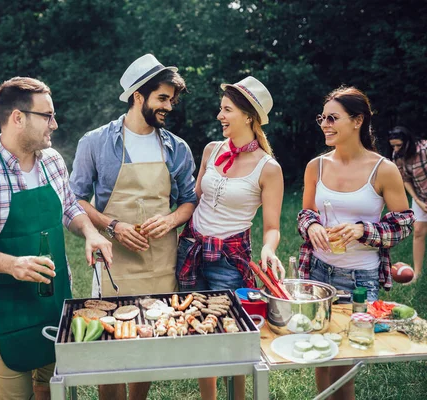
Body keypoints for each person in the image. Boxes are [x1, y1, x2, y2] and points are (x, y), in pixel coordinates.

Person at [0, 77, 111, 400]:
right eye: (47, 116)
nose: (55, 124)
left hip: (55, 301)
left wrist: (90, 232)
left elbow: (70, 208)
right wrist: (12, 264)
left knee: (54, 389)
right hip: (7, 309)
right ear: (18, 118)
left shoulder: (52, 162)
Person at [69, 54, 197, 400]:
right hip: (114, 264)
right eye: (162, 98)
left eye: (171, 99)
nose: (169, 106)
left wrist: (170, 219)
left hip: (161, 262)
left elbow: (188, 201)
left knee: (147, 342)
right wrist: (112, 224)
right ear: (138, 96)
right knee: (109, 348)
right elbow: (74, 201)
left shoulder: (177, 148)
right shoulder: (95, 142)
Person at [298, 87, 414, 400]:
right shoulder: (316, 166)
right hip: (316, 274)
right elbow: (305, 213)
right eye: (323, 118)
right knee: (319, 355)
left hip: (359, 280)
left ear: (357, 120)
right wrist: (311, 227)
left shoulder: (383, 169)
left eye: (333, 118)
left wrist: (363, 230)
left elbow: (404, 222)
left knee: (345, 364)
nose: (325, 124)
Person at [175, 76, 284, 400]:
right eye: (221, 109)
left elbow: (272, 226)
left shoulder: (268, 168)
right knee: (198, 332)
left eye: (227, 110)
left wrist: (269, 248)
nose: (220, 116)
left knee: (233, 337)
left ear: (249, 115)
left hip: (229, 261)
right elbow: (194, 200)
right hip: (191, 250)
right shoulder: (212, 150)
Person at [389, 126, 426, 281]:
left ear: (408, 142)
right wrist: (418, 201)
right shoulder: (397, 156)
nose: (396, 149)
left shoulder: (424, 149)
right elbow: (405, 179)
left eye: (399, 145)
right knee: (418, 231)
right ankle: (417, 273)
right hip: (419, 196)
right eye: (393, 146)